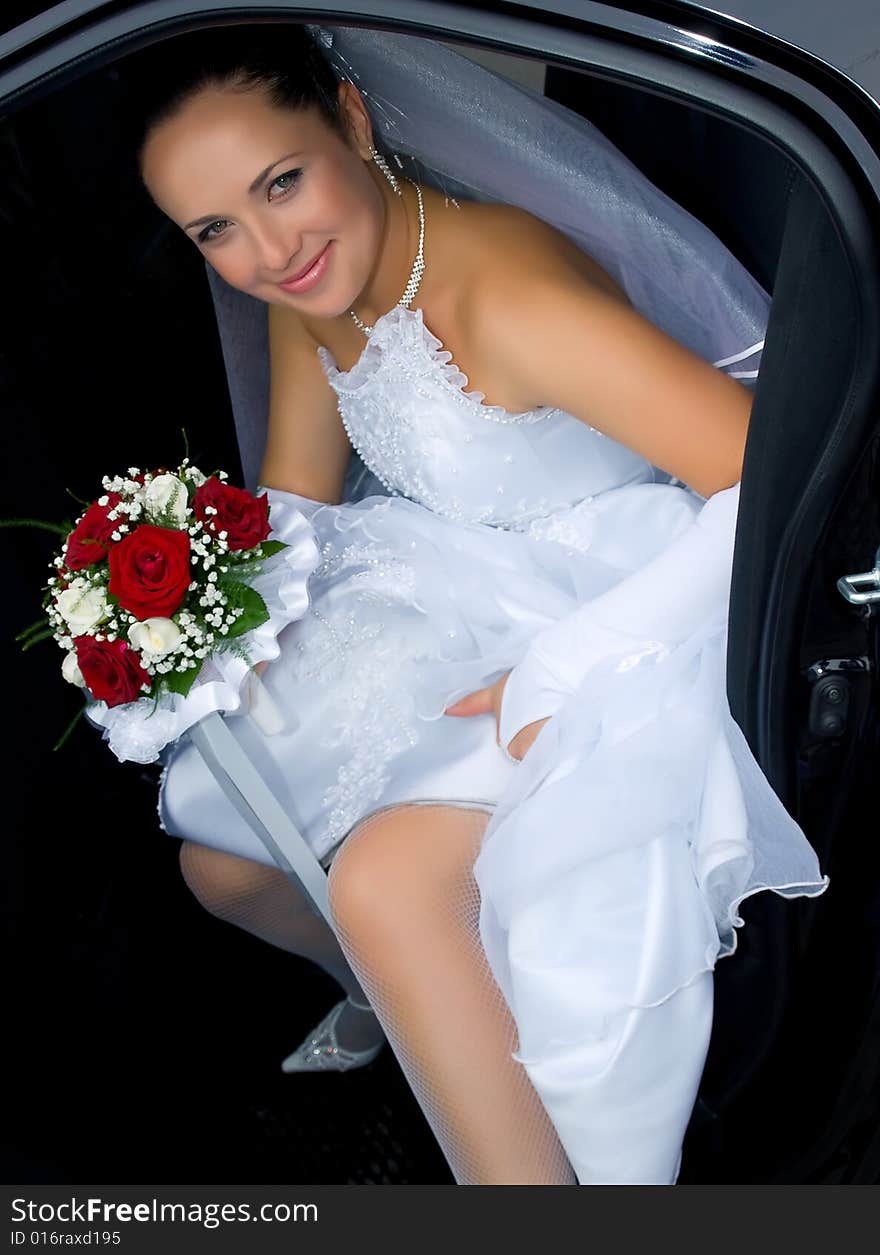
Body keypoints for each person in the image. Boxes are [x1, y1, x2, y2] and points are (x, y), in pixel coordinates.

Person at [123, 21, 829, 1184]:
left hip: (629, 601)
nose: (267, 251)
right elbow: (298, 509)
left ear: (350, 118)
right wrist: (182, 616)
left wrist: (572, 662)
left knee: (384, 879)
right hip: (461, 586)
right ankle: (439, 1028)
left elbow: (768, 475)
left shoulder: (504, 295)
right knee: (227, 868)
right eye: (215, 230)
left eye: (281, 183)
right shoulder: (316, 285)